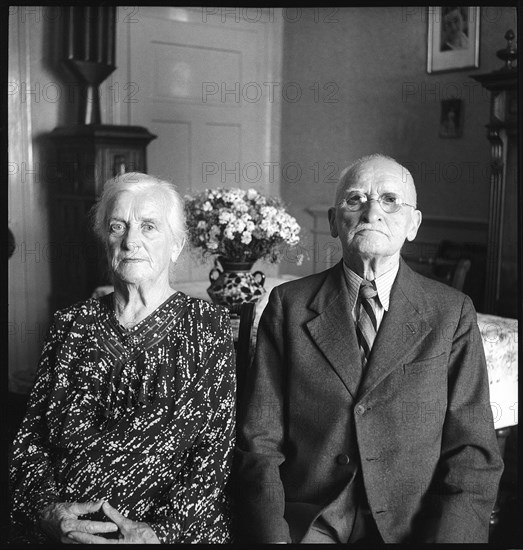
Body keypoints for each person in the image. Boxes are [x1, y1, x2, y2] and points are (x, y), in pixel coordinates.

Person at [234, 154, 503, 543]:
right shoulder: (288, 305)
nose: (372, 211)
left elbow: (472, 454)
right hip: (310, 522)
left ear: (413, 225)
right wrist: (274, 538)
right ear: (332, 221)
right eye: (355, 199)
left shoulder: (451, 313)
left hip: (413, 527)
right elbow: (259, 442)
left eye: (390, 200)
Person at [9, 173, 236, 544]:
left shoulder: (206, 326)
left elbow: (214, 450)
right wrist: (48, 510)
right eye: (118, 227)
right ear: (105, 239)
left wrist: (159, 533)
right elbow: (31, 438)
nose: (131, 241)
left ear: (176, 245)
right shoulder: (70, 325)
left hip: (171, 536)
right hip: (66, 532)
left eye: (149, 227)